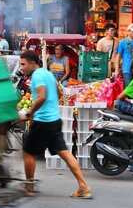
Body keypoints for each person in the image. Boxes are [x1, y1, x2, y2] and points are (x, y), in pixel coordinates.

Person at [18, 50, 91, 199]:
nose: (21, 67)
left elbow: (42, 97)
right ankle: (84, 186)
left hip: (42, 121)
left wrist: (29, 114)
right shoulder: (48, 73)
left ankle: (30, 186)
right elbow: (59, 93)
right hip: (54, 120)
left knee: (28, 152)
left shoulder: (37, 75)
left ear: (32, 63)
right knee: (64, 152)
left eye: (23, 64)